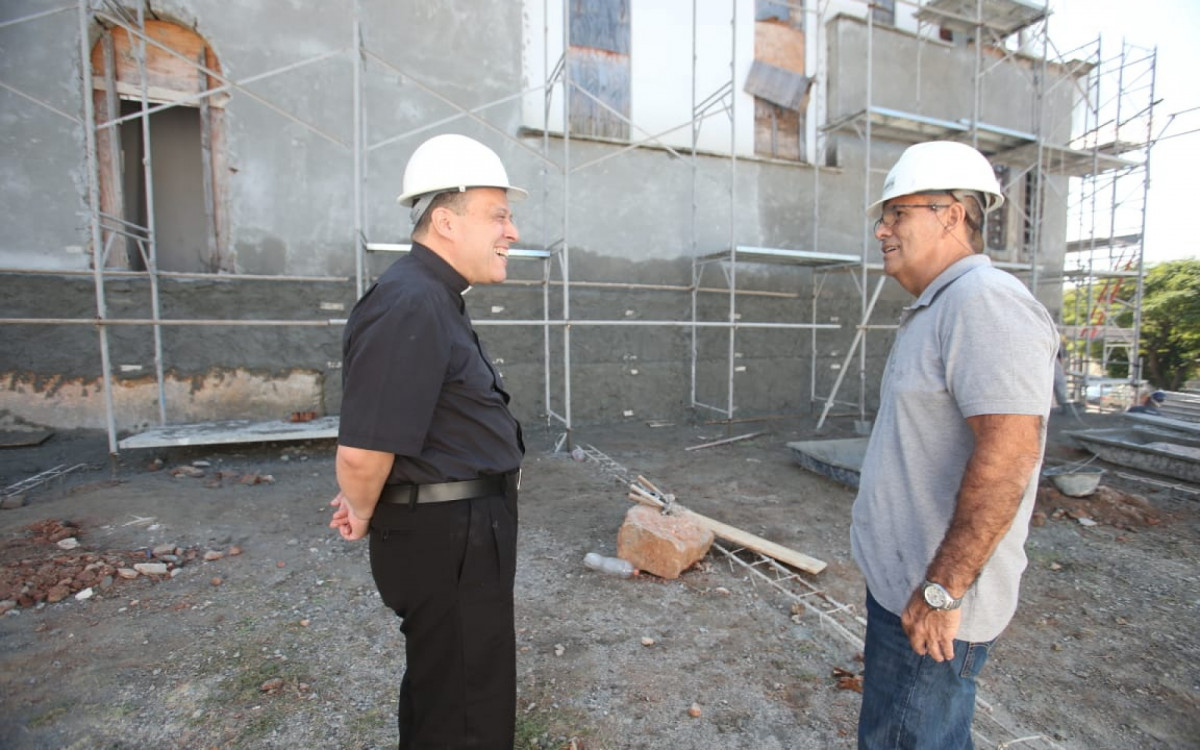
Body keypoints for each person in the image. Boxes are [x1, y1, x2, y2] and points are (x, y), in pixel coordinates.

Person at [850, 141, 1058, 749]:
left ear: (952, 215)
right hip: (907, 590)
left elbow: (1009, 457)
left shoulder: (984, 302)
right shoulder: (939, 306)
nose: (882, 230)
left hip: (933, 605)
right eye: (883, 217)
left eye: (898, 213)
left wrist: (942, 591)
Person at [329, 133, 527, 749]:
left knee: (451, 686)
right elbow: (363, 450)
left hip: (457, 528)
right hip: (450, 535)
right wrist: (361, 505)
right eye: (498, 216)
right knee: (465, 706)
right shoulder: (412, 300)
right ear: (445, 221)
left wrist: (369, 496)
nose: (512, 232)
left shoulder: (430, 296)